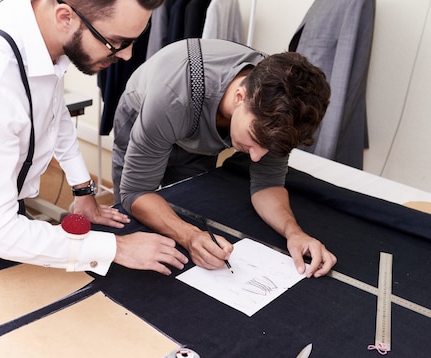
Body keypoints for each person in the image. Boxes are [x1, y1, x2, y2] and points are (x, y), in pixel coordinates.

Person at [0, 0, 188, 275]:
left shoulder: (41, 28)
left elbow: (54, 114)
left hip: (7, 205)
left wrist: (83, 190)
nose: (126, 56)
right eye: (116, 42)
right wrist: (116, 248)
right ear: (65, 17)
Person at [112, 38, 337, 278]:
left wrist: (294, 232)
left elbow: (267, 184)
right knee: (133, 223)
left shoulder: (278, 109)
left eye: (267, 148)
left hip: (193, 128)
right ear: (240, 96)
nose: (257, 156)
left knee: (190, 210)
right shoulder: (173, 95)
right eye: (255, 139)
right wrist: (189, 236)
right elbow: (135, 193)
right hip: (149, 114)